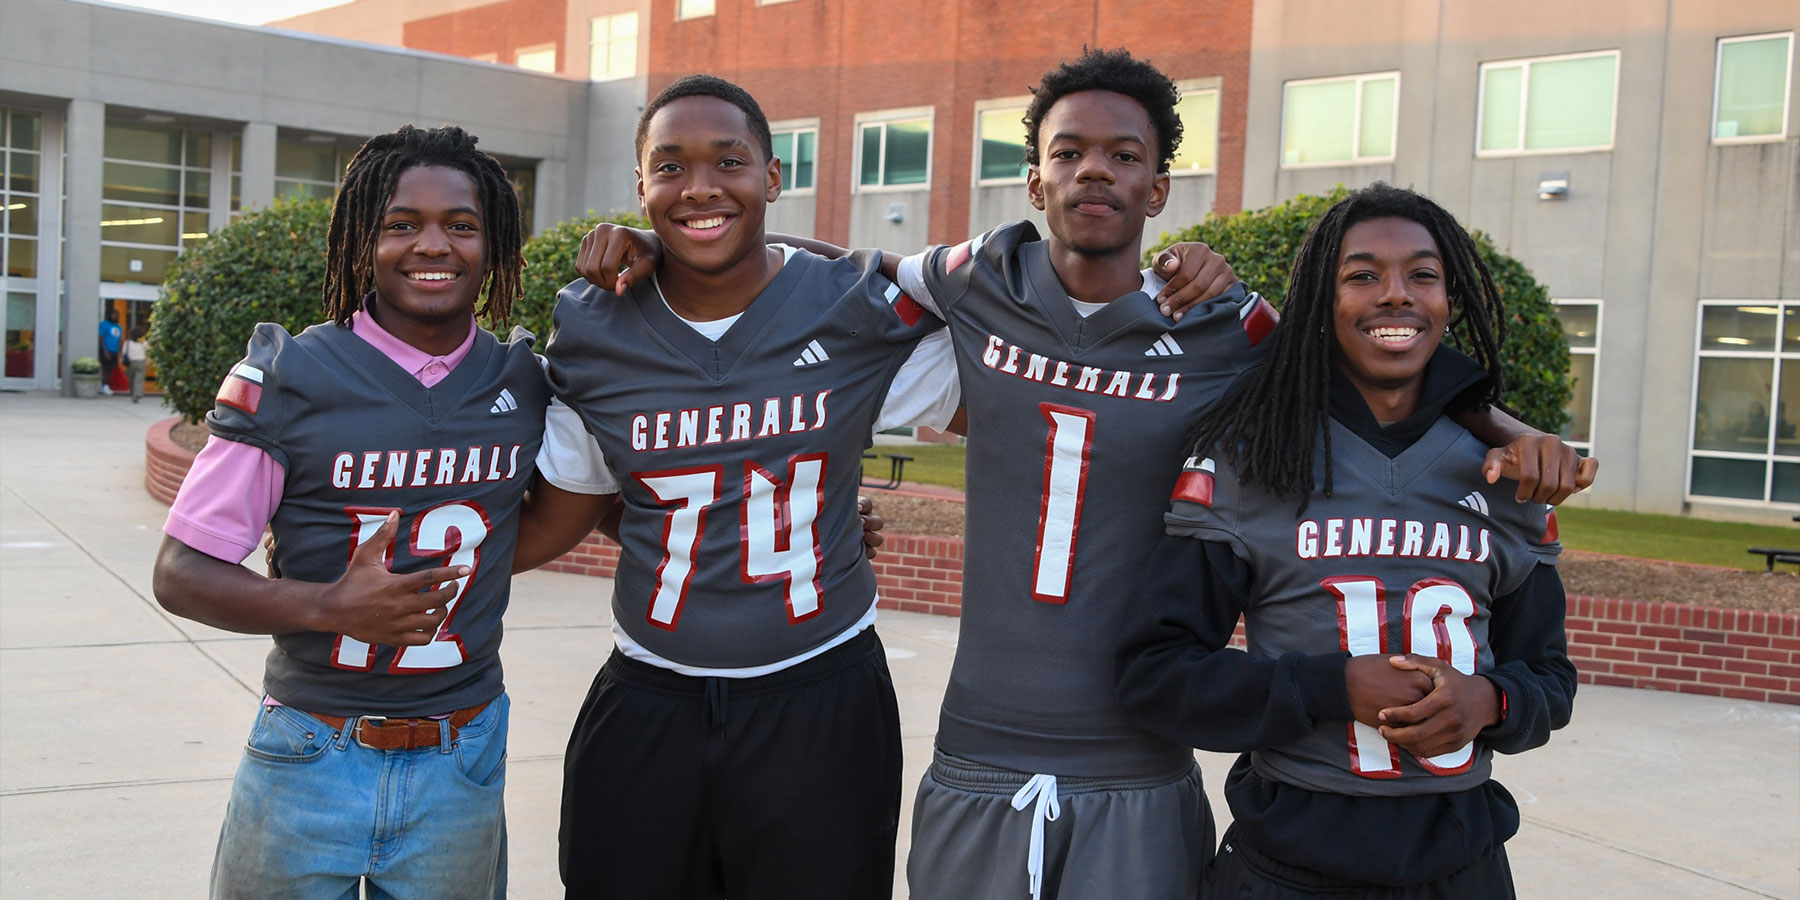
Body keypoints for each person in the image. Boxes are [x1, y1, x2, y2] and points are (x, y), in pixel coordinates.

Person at [577, 52, 1591, 900]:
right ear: (1033, 180)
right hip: (979, 751)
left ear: (1159, 188)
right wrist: (651, 249)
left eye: (1124, 156)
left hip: (1139, 763)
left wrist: (1503, 421)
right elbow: (798, 271)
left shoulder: (1226, 327)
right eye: (1068, 152)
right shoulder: (974, 280)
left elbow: (1371, 351)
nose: (1093, 172)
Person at [1116, 183, 1577, 899]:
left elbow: (1549, 679)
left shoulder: (1507, 473)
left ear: (1449, 300)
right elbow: (1158, 674)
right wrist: (1332, 685)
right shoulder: (1251, 460)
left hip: (1464, 867)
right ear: (1320, 306)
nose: (1396, 295)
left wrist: (1488, 701)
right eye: (1362, 275)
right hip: (1284, 866)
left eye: (1423, 274)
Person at [152, 124, 543, 900]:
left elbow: (605, 496)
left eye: (460, 225)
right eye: (402, 224)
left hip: (460, 751)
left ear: (493, 243)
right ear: (363, 239)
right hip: (309, 746)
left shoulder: (524, 381)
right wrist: (328, 604)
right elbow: (180, 573)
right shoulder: (289, 375)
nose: (432, 245)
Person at [122, 323, 149, 403]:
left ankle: (132, 393)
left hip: (131, 363)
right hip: (141, 362)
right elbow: (148, 353)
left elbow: (123, 353)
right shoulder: (144, 343)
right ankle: (136, 394)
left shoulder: (127, 343)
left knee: (132, 379)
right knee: (139, 380)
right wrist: (147, 362)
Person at [98, 309, 121, 395]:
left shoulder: (118, 327)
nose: (115, 317)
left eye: (117, 315)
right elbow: (101, 337)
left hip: (114, 350)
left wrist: (120, 352)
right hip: (106, 350)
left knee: (111, 369)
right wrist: (105, 351)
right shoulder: (104, 325)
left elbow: (119, 339)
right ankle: (104, 386)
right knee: (105, 368)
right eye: (114, 315)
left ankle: (106, 385)